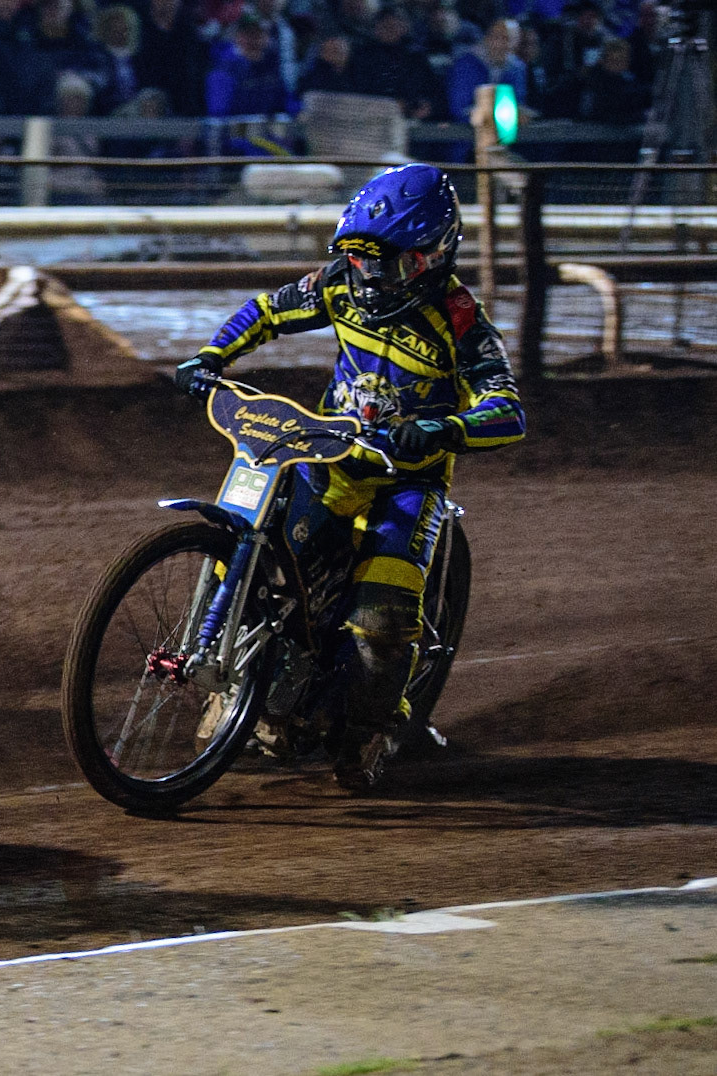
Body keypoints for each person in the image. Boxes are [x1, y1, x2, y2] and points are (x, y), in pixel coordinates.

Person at [174, 164, 525, 790]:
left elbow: (508, 408)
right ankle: (251, 688)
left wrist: (446, 428)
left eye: (384, 262)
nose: (367, 275)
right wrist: (210, 356)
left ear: (432, 257)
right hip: (330, 455)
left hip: (406, 482)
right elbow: (266, 311)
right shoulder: (338, 282)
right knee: (262, 559)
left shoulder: (462, 319)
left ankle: (373, 731)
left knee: (383, 621)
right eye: (358, 257)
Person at [446, 17, 525, 122]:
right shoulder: (466, 65)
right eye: (497, 38)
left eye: (508, 39)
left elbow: (518, 103)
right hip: (465, 132)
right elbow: (460, 109)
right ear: (487, 38)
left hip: (504, 131)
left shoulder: (517, 68)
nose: (502, 44)